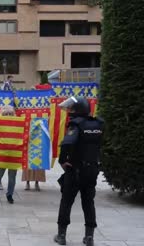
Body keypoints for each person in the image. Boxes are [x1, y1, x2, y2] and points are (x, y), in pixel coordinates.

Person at [53, 96, 103, 246]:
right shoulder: (98, 124)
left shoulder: (75, 125)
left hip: (75, 170)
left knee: (66, 202)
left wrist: (63, 161)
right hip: (92, 170)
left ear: (78, 110)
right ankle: (89, 237)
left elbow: (66, 145)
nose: (69, 110)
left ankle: (61, 236)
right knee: (88, 203)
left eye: (71, 108)